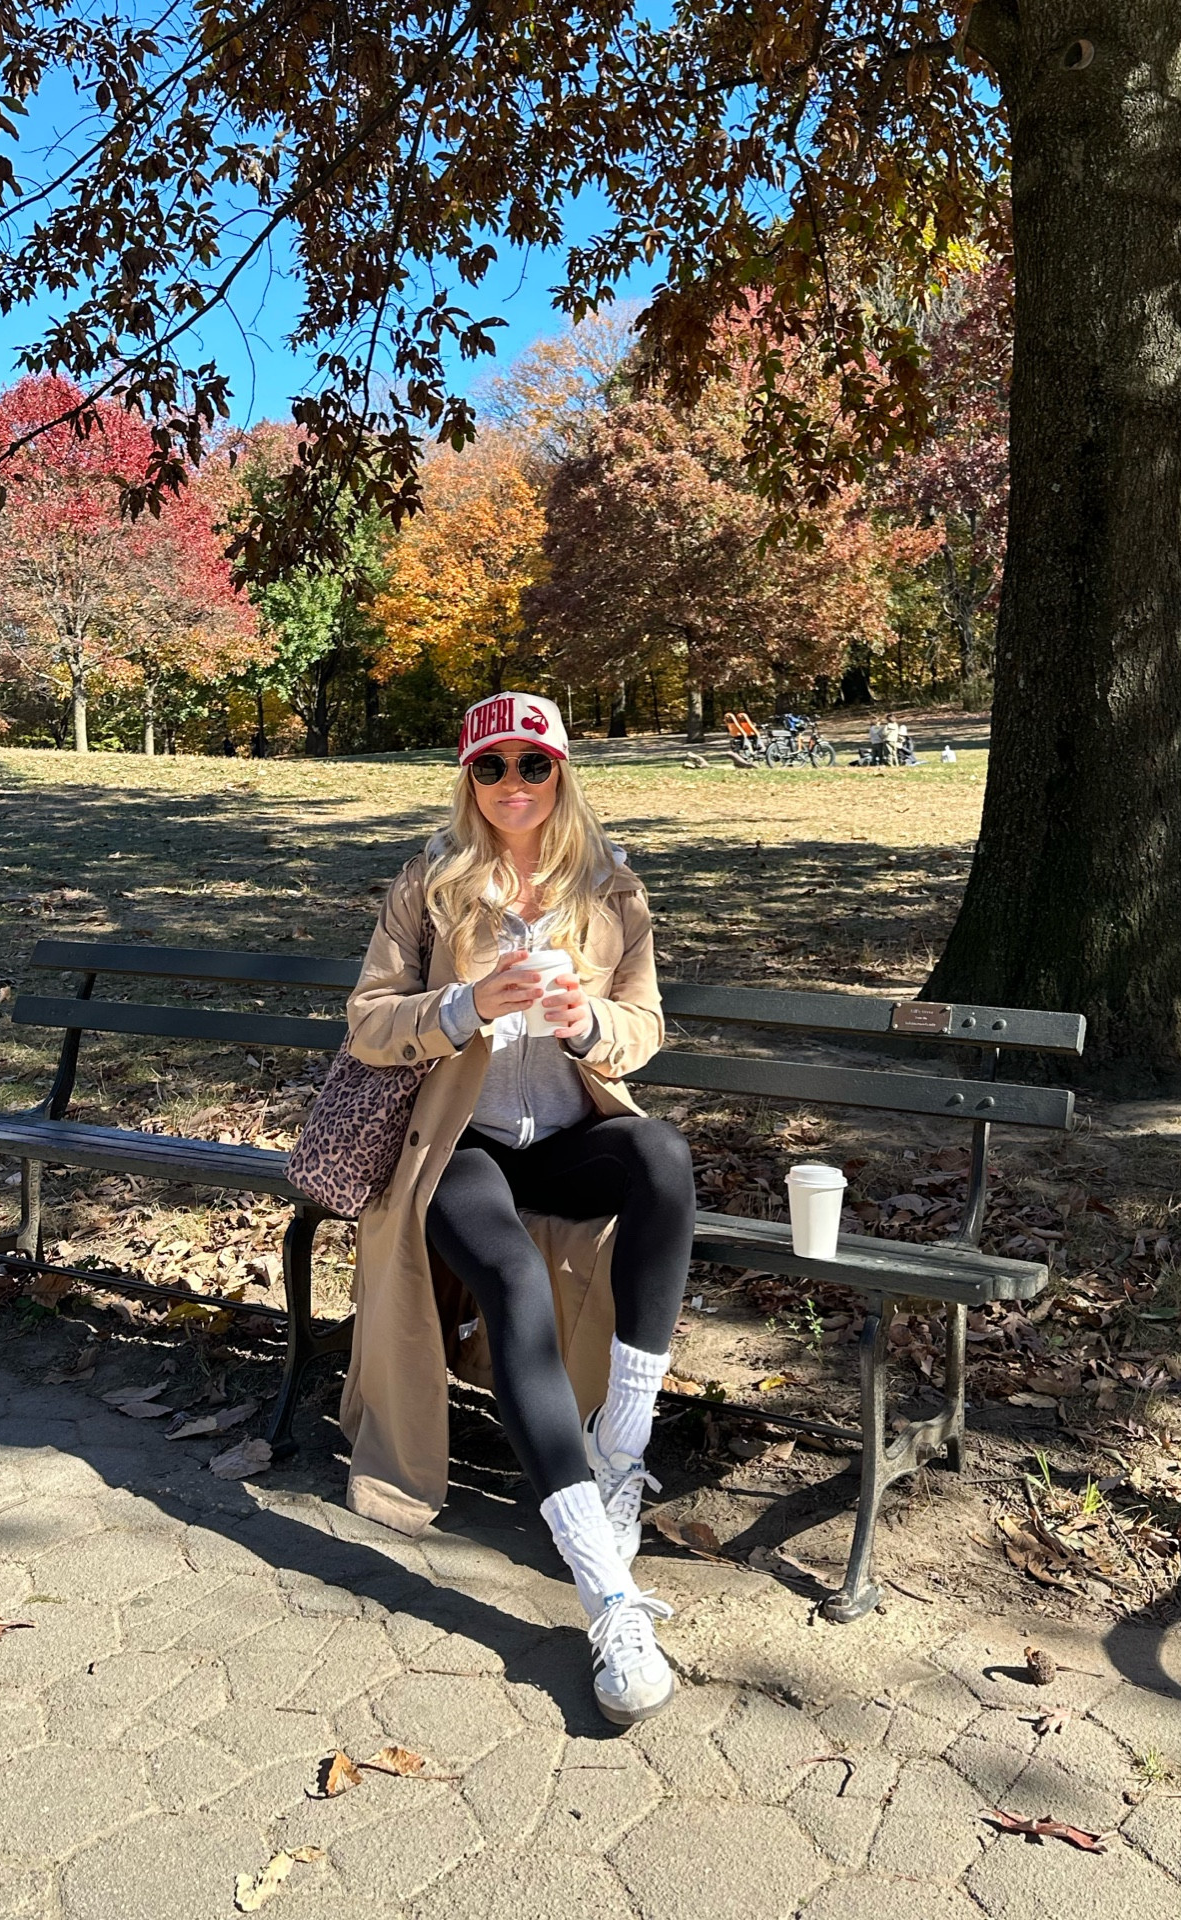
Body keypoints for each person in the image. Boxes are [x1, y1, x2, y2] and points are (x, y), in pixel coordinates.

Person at [340, 692, 695, 1725]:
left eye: (532, 764)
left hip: (571, 1138)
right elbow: (368, 1021)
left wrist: (586, 1024)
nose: (512, 784)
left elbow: (644, 1025)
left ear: (561, 773)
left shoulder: (610, 885)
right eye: (490, 766)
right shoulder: (431, 882)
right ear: (469, 779)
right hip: (463, 1145)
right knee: (510, 1279)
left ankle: (620, 1443)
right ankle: (607, 1596)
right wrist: (466, 1004)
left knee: (663, 1157)